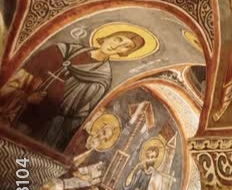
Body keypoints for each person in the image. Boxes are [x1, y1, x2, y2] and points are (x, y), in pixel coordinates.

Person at [0, 30, 145, 149]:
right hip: (12, 114)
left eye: (125, 46)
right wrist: (24, 98)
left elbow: (74, 113)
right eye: (118, 39)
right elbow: (16, 81)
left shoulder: (101, 81)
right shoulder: (62, 50)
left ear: (124, 54)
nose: (117, 46)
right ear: (107, 36)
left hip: (41, 125)